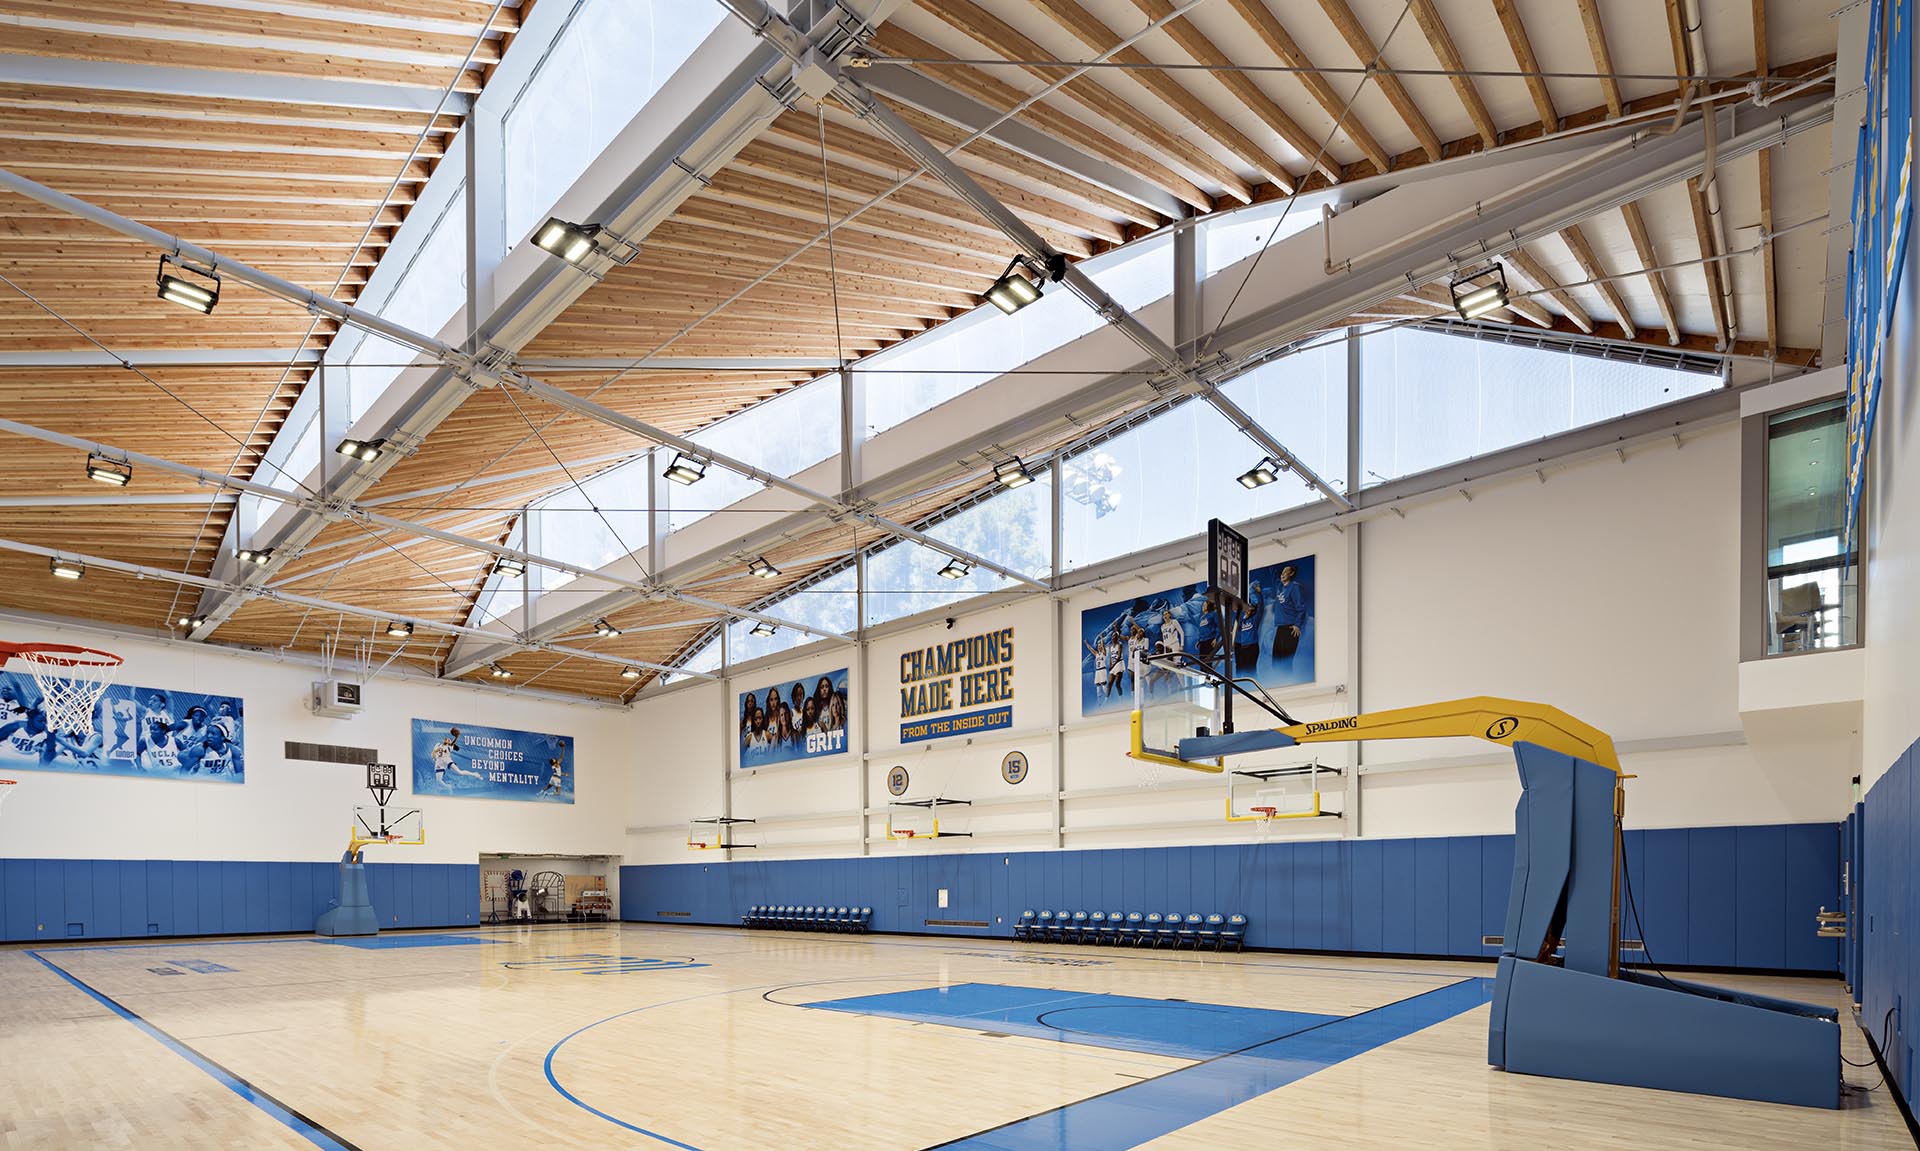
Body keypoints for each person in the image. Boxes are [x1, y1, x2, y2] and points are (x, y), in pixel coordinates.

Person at [1272, 564, 1308, 662]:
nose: (1282, 574)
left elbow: (1301, 608)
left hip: (1290, 628)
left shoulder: (1294, 587)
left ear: (1291, 573)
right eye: (1282, 572)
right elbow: (1273, 575)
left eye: (1285, 572)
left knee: (1286, 662)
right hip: (1280, 628)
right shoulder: (1279, 587)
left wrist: (1297, 625)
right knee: (1276, 661)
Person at [1234, 579, 1265, 677]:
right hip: (1242, 648)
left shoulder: (1254, 620)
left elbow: (1261, 608)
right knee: (1241, 671)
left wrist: (1259, 594)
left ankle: (1253, 689)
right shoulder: (1242, 621)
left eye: (1250, 609)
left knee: (1251, 672)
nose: (1248, 610)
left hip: (1252, 647)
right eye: (1247, 609)